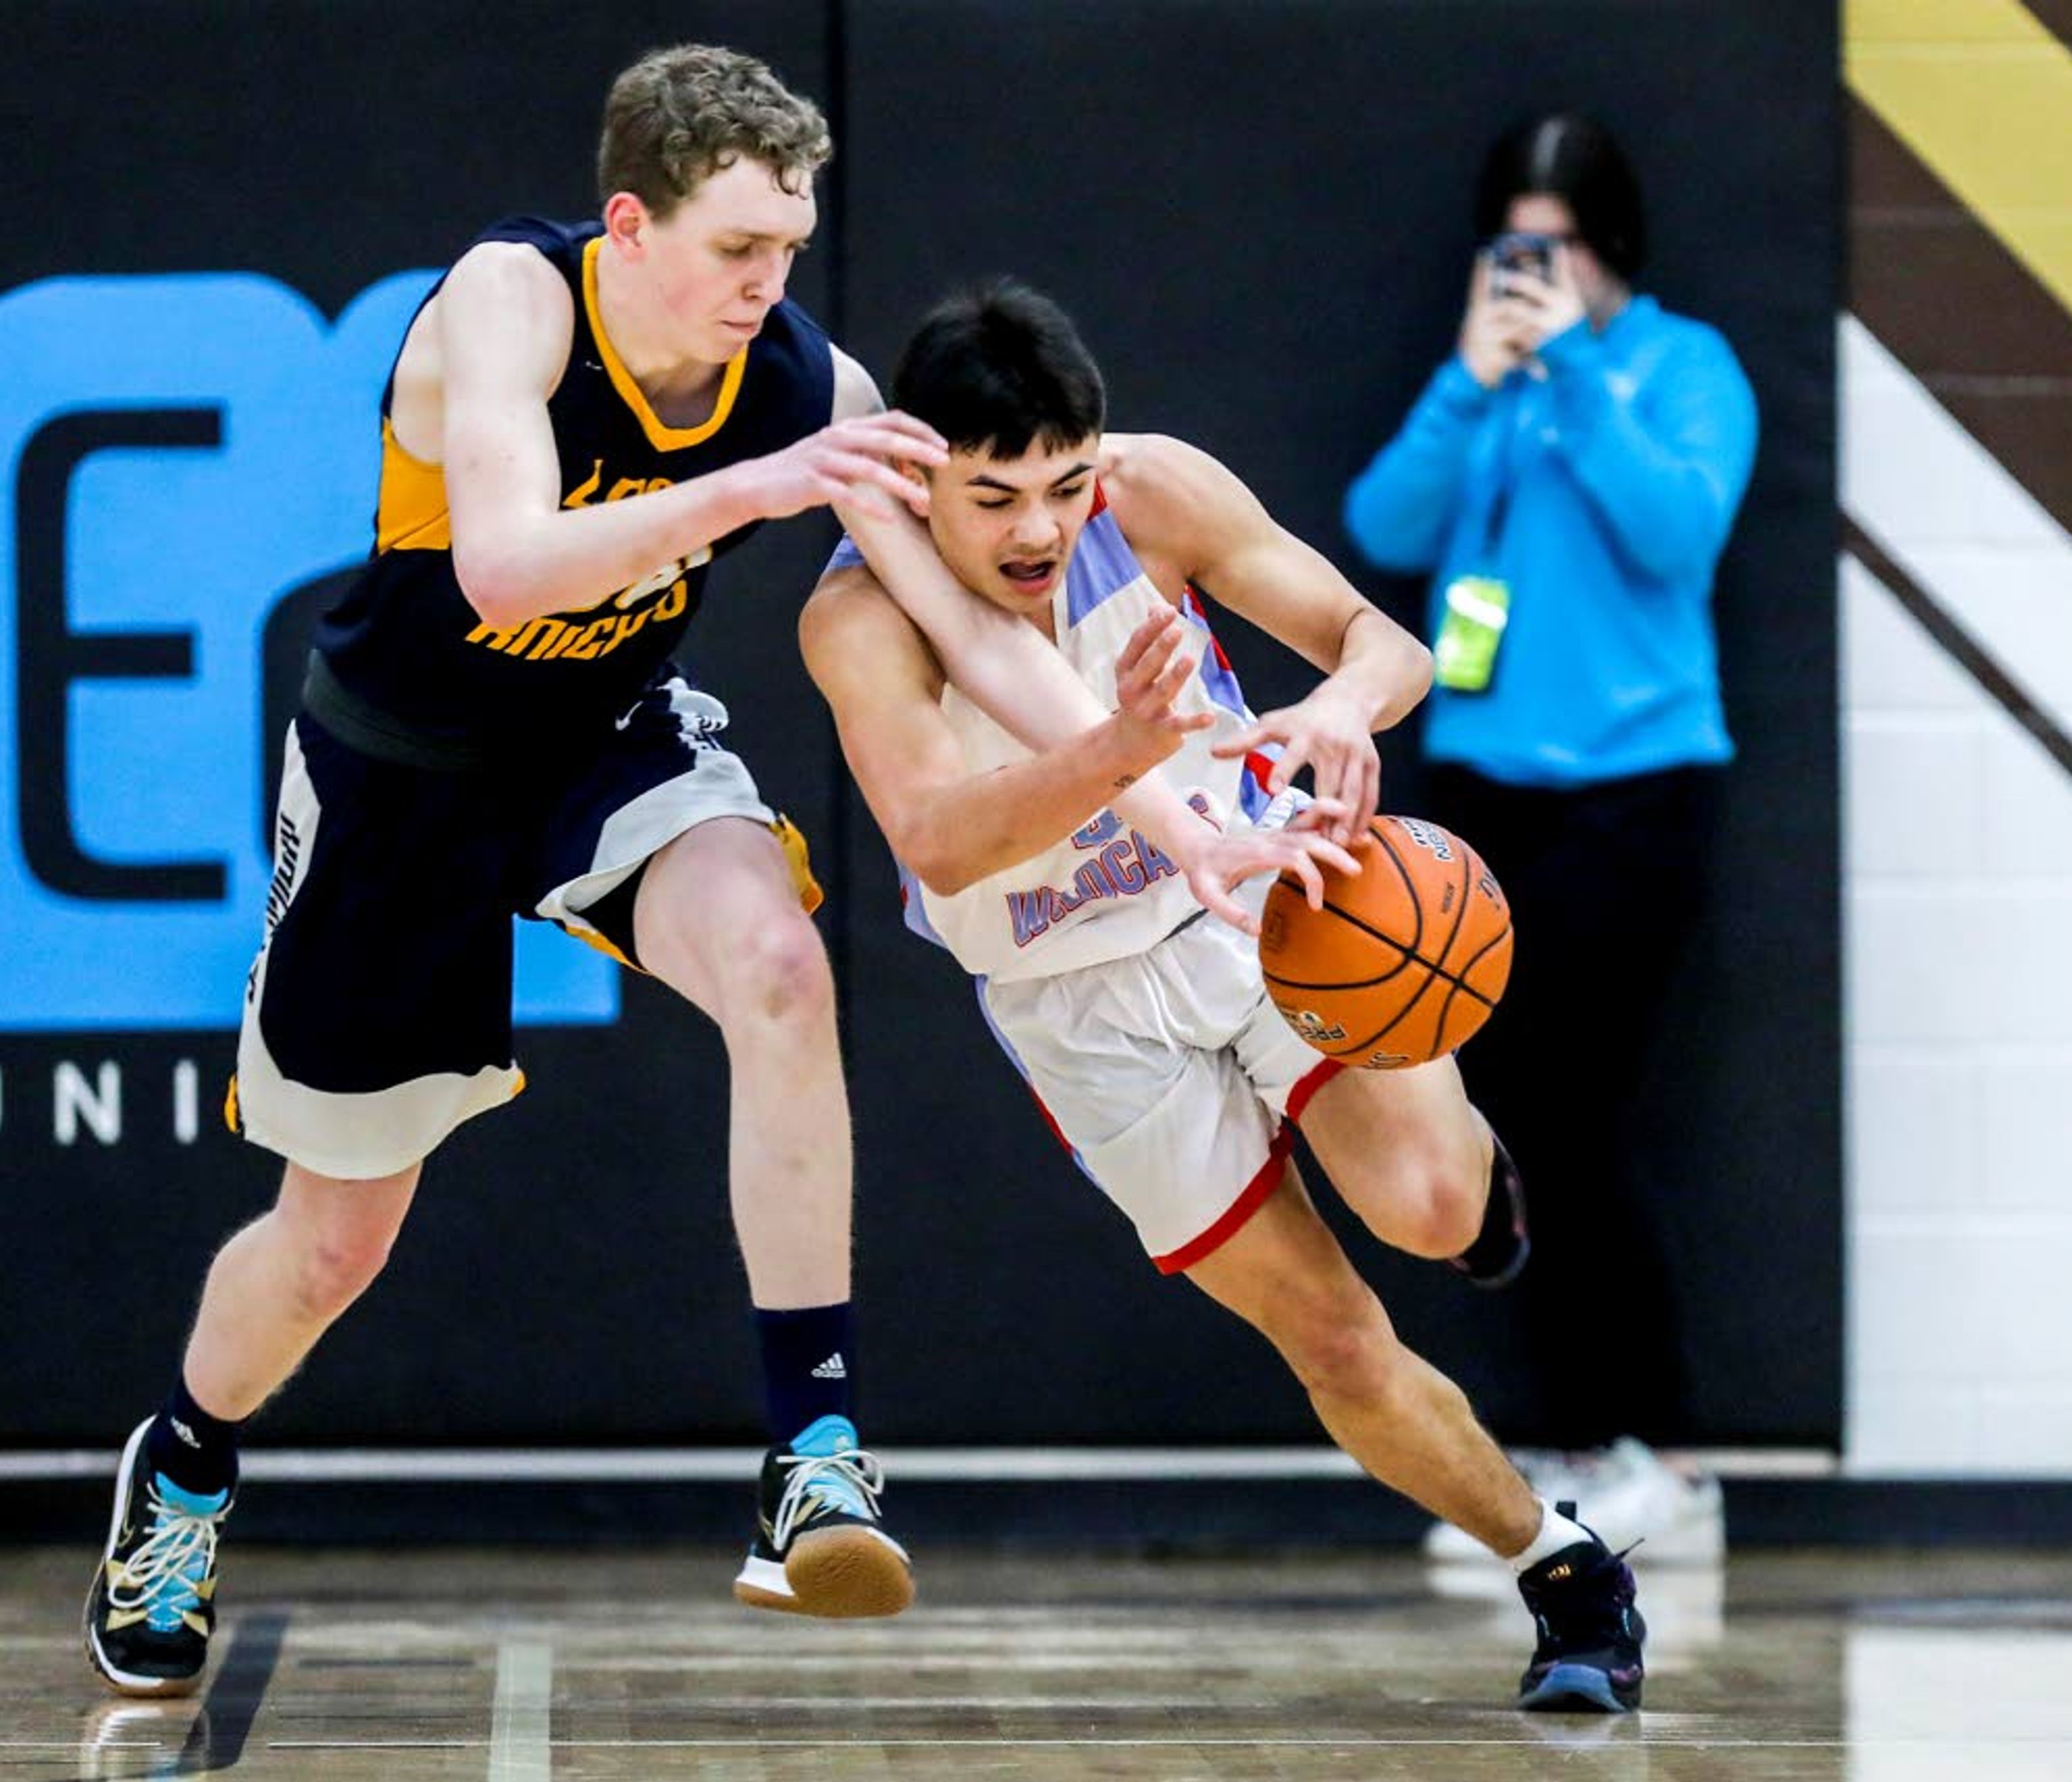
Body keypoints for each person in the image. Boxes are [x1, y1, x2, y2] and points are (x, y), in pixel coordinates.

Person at [86, 43, 983, 1699]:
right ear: (627, 224)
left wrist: (1182, 800)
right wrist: (758, 486)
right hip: (400, 771)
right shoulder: (513, 299)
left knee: (783, 971)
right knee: (335, 1242)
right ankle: (189, 1462)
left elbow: (966, 602)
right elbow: (500, 570)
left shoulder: (798, 379)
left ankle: (814, 1457)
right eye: (736, 251)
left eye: (789, 250)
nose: (768, 288)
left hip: (601, 737)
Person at [799, 281, 1649, 1712]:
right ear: (914, 477)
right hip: (1074, 1002)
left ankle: (1476, 1177)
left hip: (1265, 902)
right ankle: (1562, 1565)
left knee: (1433, 1217)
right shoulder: (858, 619)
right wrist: (1117, 748)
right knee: (1327, 1337)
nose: (1037, 531)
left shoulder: (1157, 494)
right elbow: (941, 839)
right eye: (994, 494)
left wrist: (1337, 707)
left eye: (1063, 485)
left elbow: (1385, 640)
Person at [1343, 113, 1757, 1562]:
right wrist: (1473, 374)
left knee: (1588, 1113)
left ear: (1610, 246)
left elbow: (1678, 534)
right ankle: (1568, 1448)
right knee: (1499, 1127)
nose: (1537, 273)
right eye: (1516, 248)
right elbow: (1383, 522)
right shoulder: (1496, 384)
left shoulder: (1679, 367)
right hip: (1489, 788)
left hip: (1637, 786)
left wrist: (1574, 361)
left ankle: (1662, 1455)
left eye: (1559, 246)